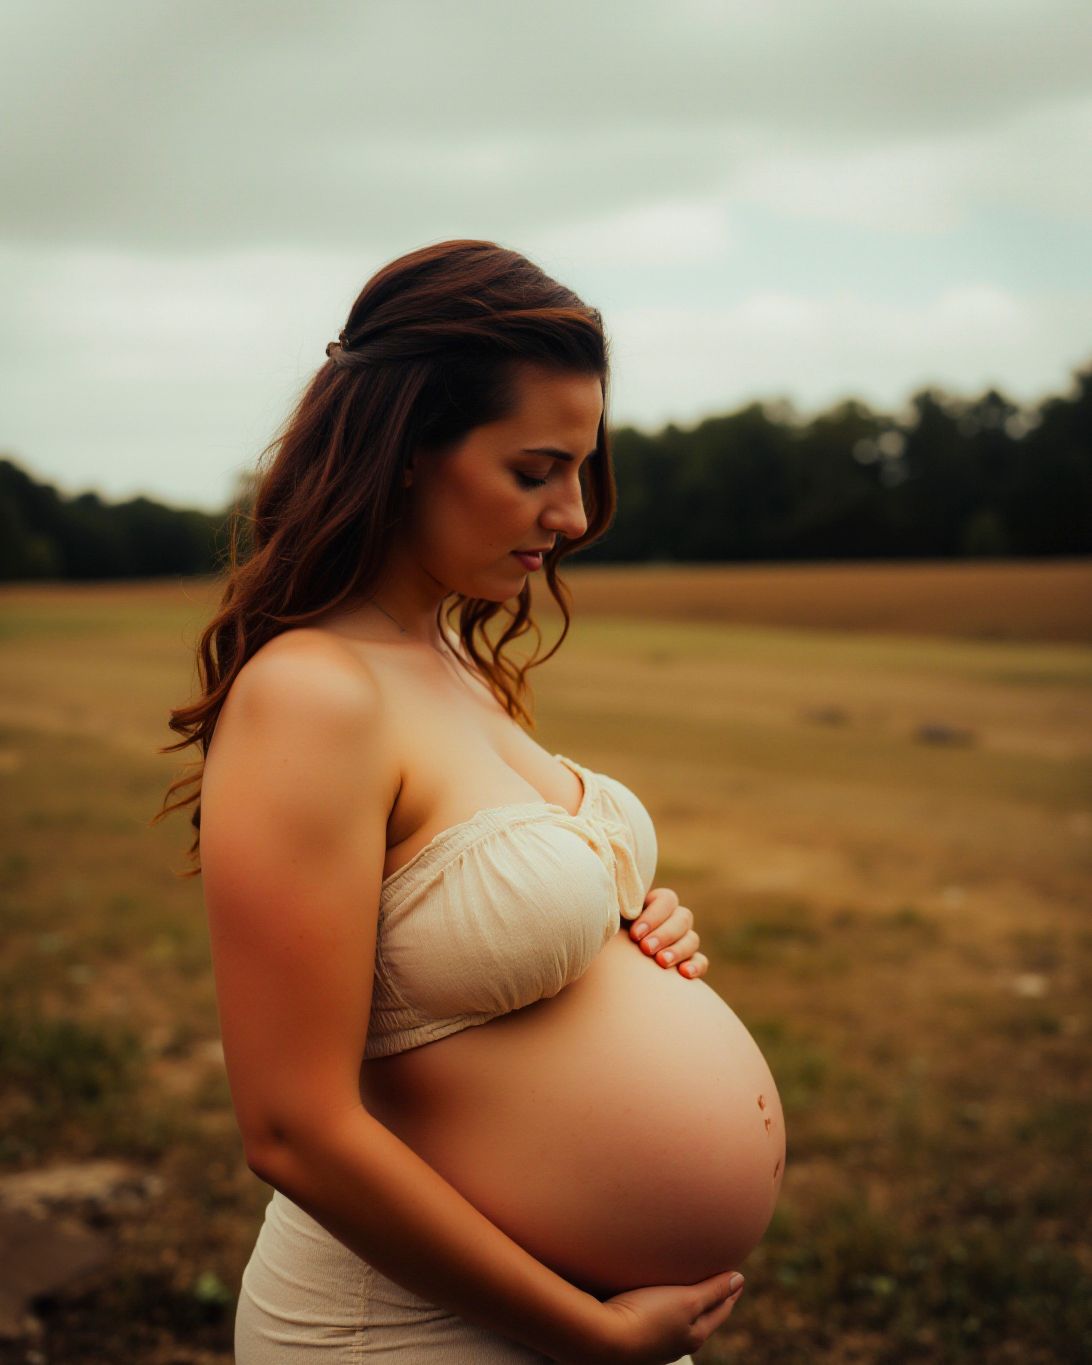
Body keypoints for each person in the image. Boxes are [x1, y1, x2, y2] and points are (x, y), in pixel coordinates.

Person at [158, 239, 747, 1362]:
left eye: (580, 467)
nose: (573, 515)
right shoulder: (310, 695)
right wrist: (593, 1337)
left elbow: (452, 929)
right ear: (409, 452)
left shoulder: (454, 662)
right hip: (413, 1329)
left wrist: (628, 930)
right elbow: (293, 1129)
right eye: (535, 471)